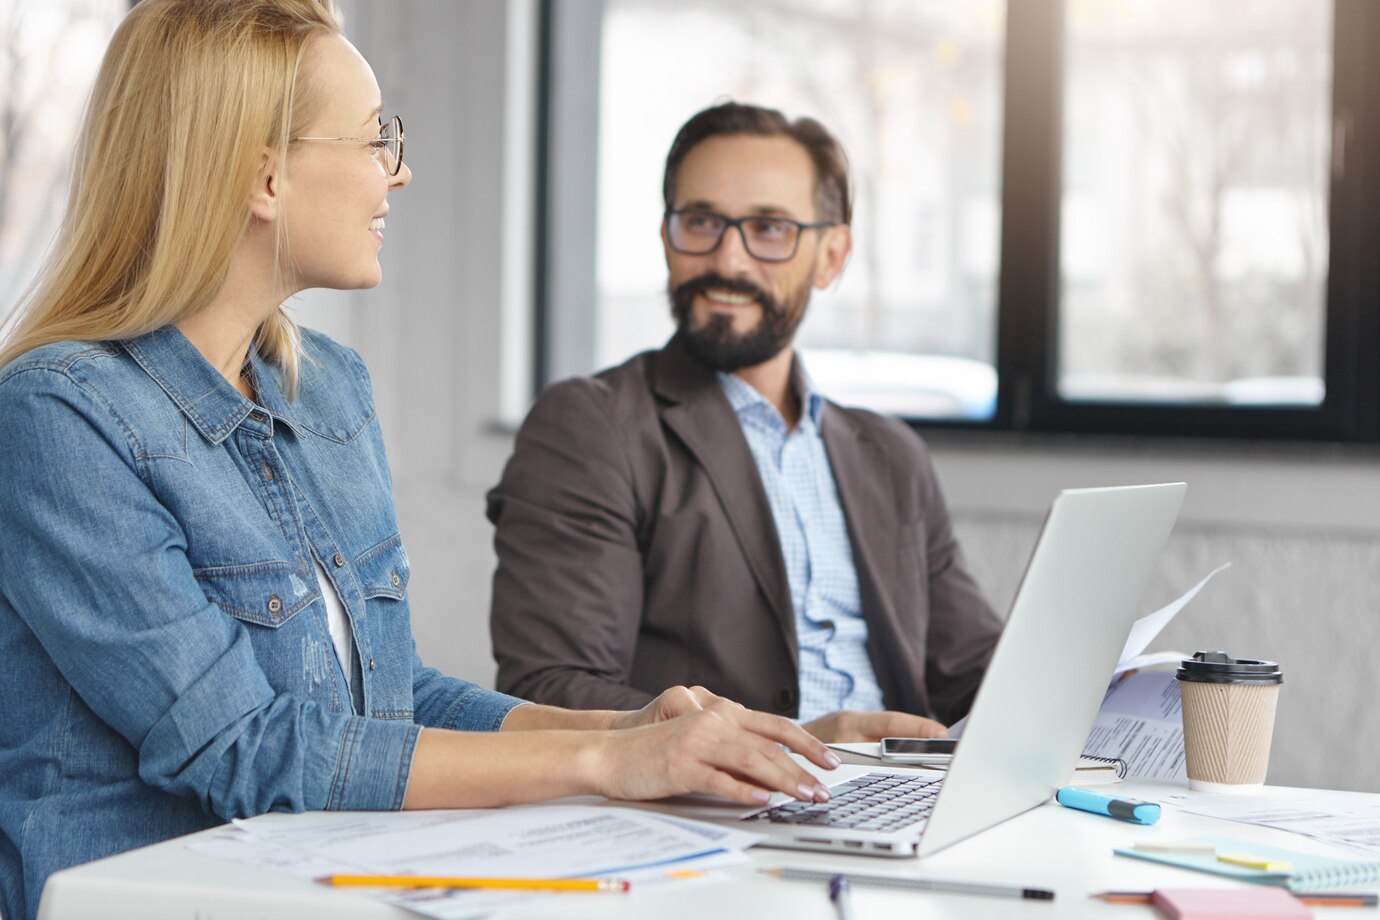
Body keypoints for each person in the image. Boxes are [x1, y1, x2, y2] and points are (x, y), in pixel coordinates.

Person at [0, 9, 839, 919]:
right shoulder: (59, 415)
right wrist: (602, 762)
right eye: (374, 138)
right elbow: (246, 749)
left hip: (324, 886)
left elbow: (386, 700)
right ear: (264, 175)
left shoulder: (325, 387)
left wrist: (627, 728)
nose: (398, 171)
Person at [488, 102, 1004, 743]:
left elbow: (982, 675)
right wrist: (790, 742)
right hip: (718, 814)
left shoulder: (891, 455)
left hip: (904, 799)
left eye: (768, 228)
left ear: (832, 256)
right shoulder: (593, 428)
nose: (728, 261)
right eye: (700, 221)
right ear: (666, 236)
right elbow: (551, 690)